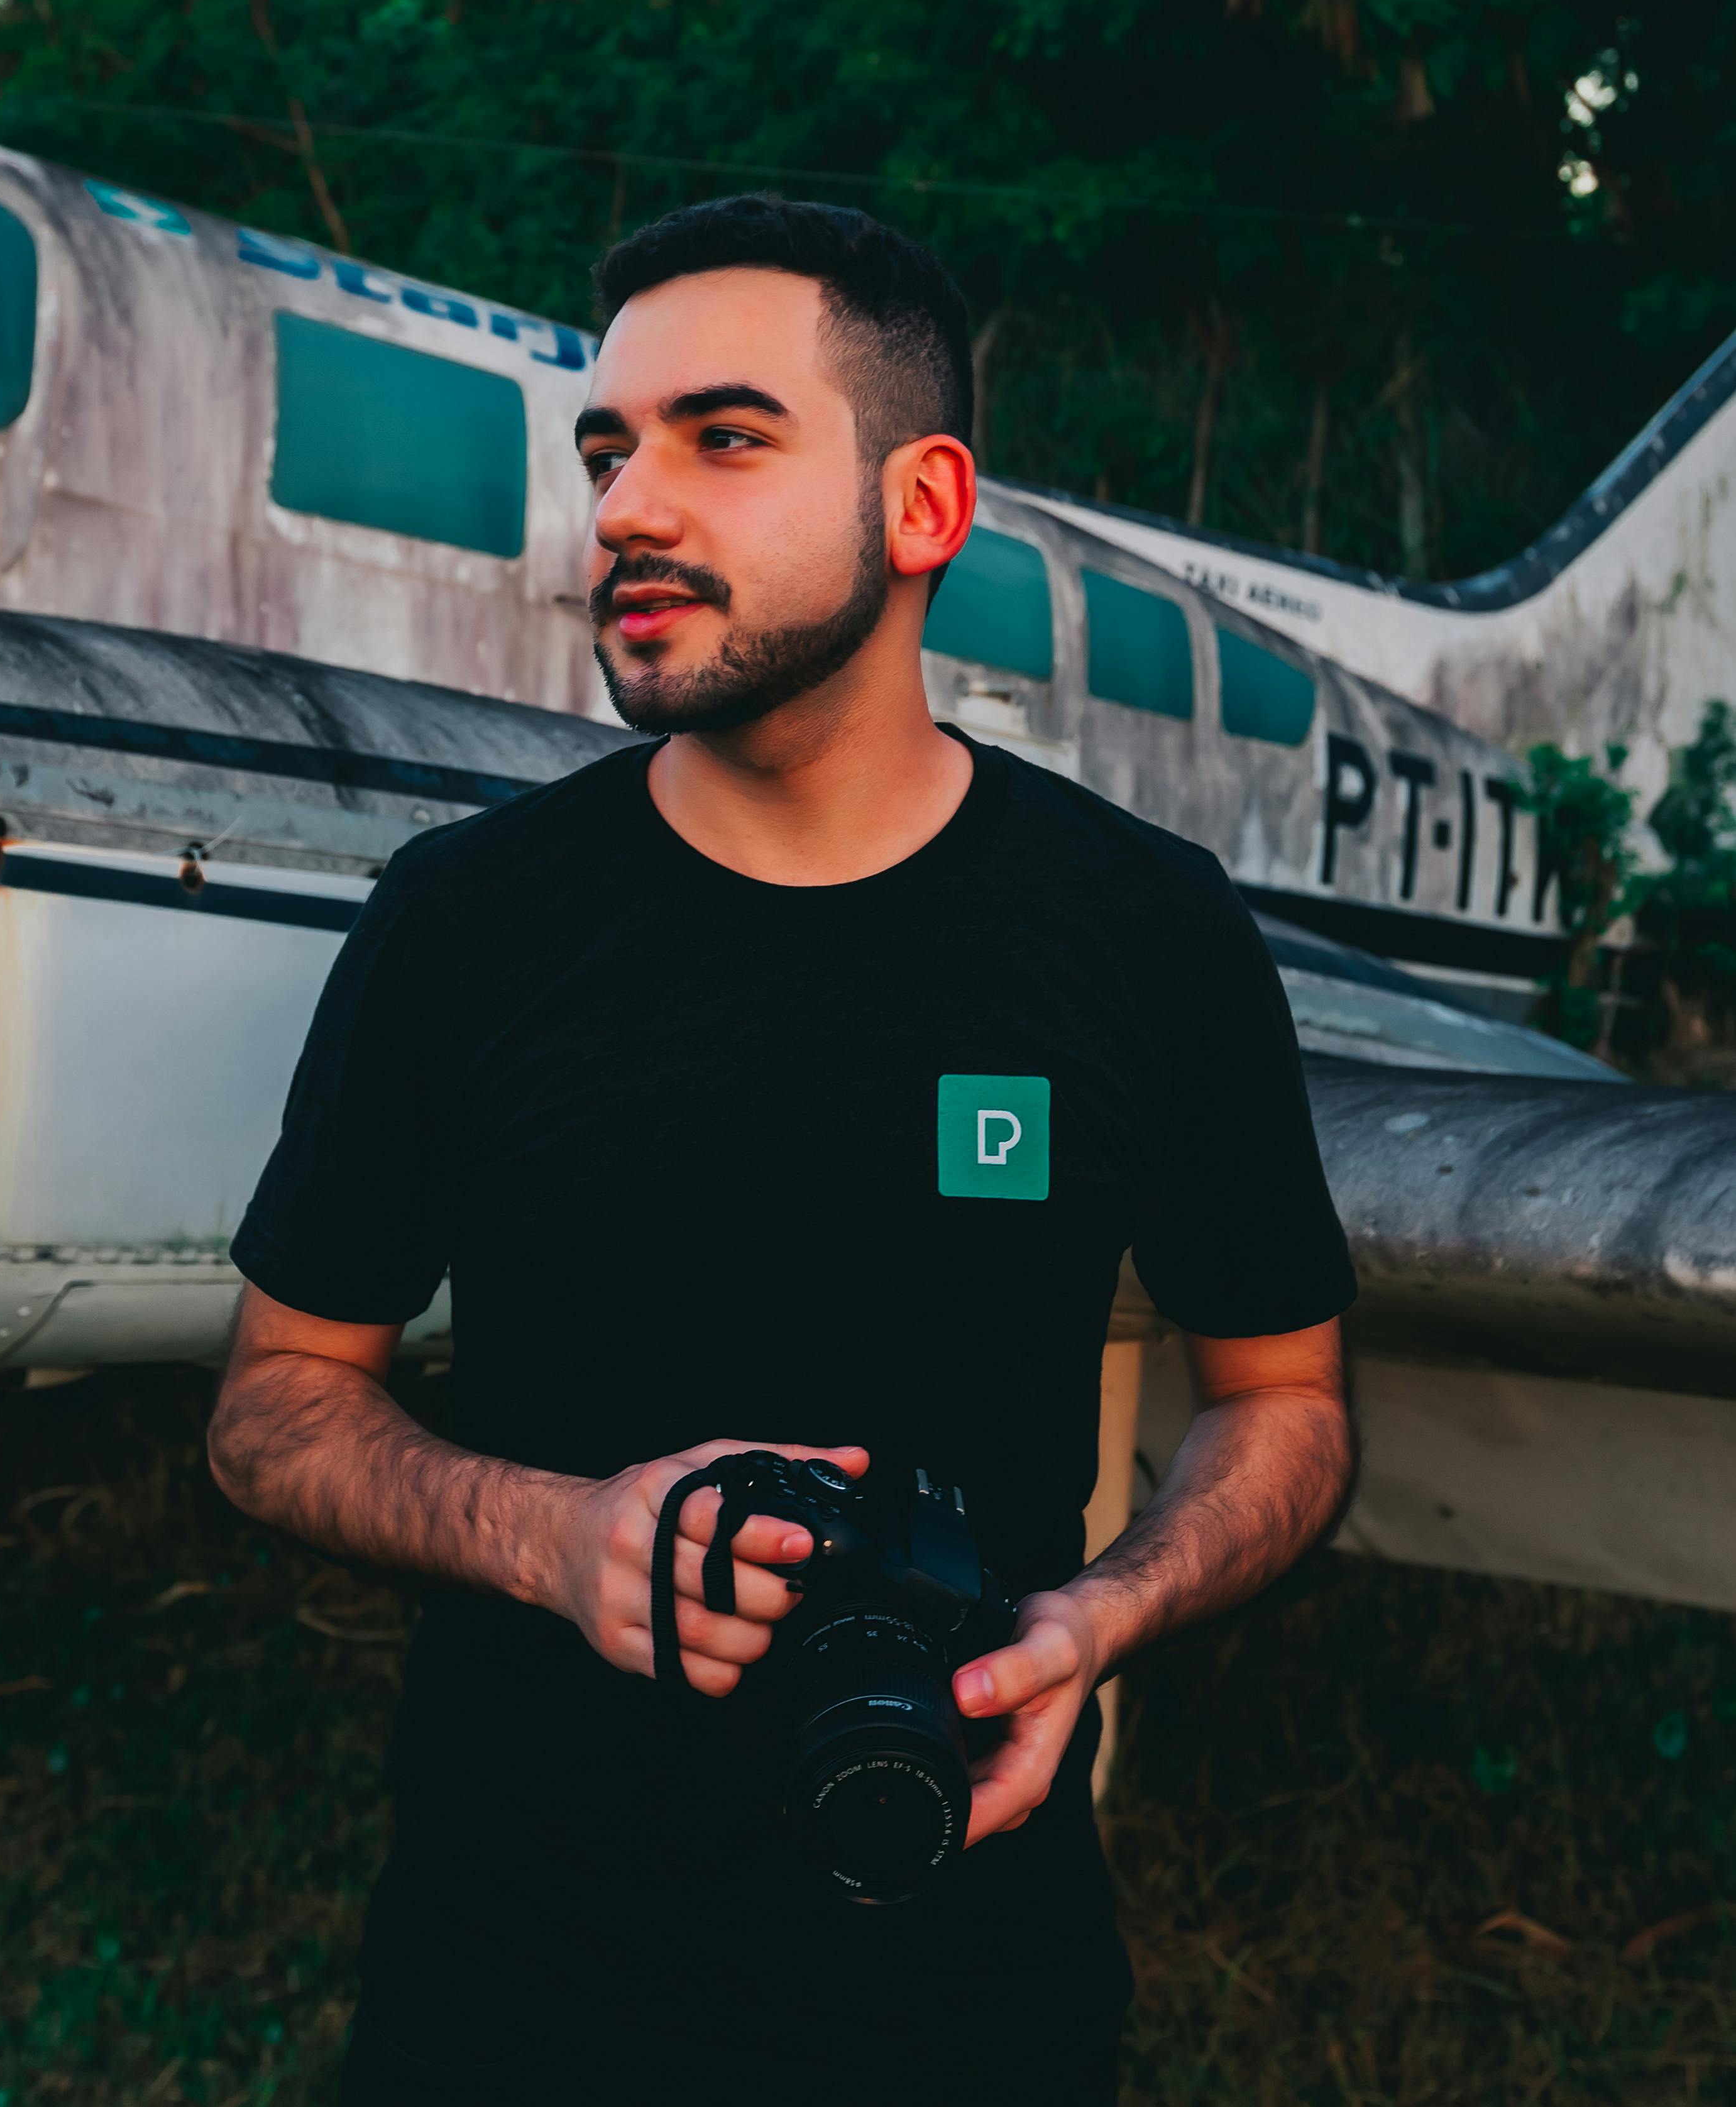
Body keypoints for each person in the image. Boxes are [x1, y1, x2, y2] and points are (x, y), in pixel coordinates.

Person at [208, 196, 1358, 2104]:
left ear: (924, 505)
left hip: (972, 1998)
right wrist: (556, 1535)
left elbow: (1290, 1398)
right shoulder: (466, 923)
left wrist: (1105, 1607)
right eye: (609, 448)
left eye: (720, 438)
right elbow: (272, 1406)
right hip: (511, 2004)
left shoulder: (1145, 933)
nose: (625, 511)